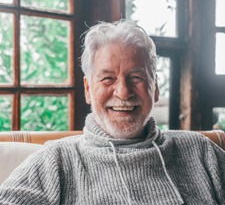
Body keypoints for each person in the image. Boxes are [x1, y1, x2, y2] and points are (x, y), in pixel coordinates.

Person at [0, 19, 225, 205]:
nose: (123, 92)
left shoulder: (202, 152)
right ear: (88, 90)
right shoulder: (55, 161)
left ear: (155, 89)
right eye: (108, 78)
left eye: (136, 78)